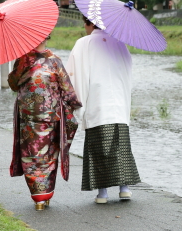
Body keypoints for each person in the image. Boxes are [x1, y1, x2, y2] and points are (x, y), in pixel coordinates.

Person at [66, 16, 140, 204]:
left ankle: (103, 193)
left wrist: (76, 105)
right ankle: (124, 189)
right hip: (119, 104)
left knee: (99, 148)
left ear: (91, 23)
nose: (84, 27)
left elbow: (74, 75)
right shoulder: (119, 44)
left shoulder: (84, 44)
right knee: (121, 146)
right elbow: (128, 71)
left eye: (85, 23)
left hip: (97, 103)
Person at [8, 36, 82, 210]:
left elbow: (13, 84)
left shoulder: (22, 60)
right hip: (50, 115)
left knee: (31, 156)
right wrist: (74, 105)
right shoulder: (54, 61)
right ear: (46, 39)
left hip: (28, 116)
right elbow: (67, 89)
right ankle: (46, 194)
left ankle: (38, 197)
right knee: (49, 155)